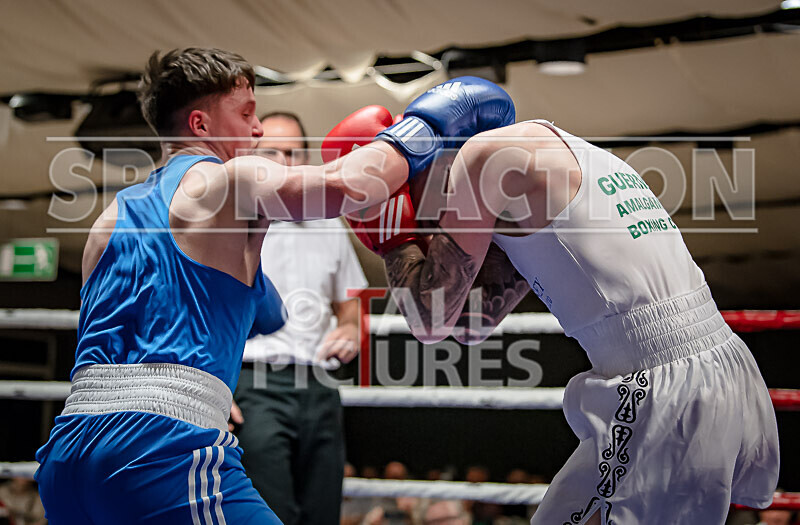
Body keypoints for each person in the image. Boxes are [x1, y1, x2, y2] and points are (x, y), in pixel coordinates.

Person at [329, 77, 780, 524]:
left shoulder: (479, 161)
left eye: (406, 190)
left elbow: (429, 322)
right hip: (704, 369)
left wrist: (389, 231)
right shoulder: (552, 160)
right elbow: (467, 324)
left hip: (665, 391)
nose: (430, 222)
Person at [31, 47, 417, 524]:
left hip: (68, 456)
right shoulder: (232, 178)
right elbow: (350, 185)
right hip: (160, 451)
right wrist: (421, 129)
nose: (257, 130)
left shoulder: (107, 221)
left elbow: (253, 311)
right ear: (201, 125)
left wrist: (252, 282)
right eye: (247, 113)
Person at [231, 111, 367, 525]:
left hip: (320, 385)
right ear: (254, 154)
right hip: (254, 385)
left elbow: (352, 304)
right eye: (272, 151)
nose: (284, 162)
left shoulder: (330, 224)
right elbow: (199, 313)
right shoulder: (230, 222)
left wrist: (348, 328)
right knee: (272, 515)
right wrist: (216, 388)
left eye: (293, 152)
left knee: (322, 514)